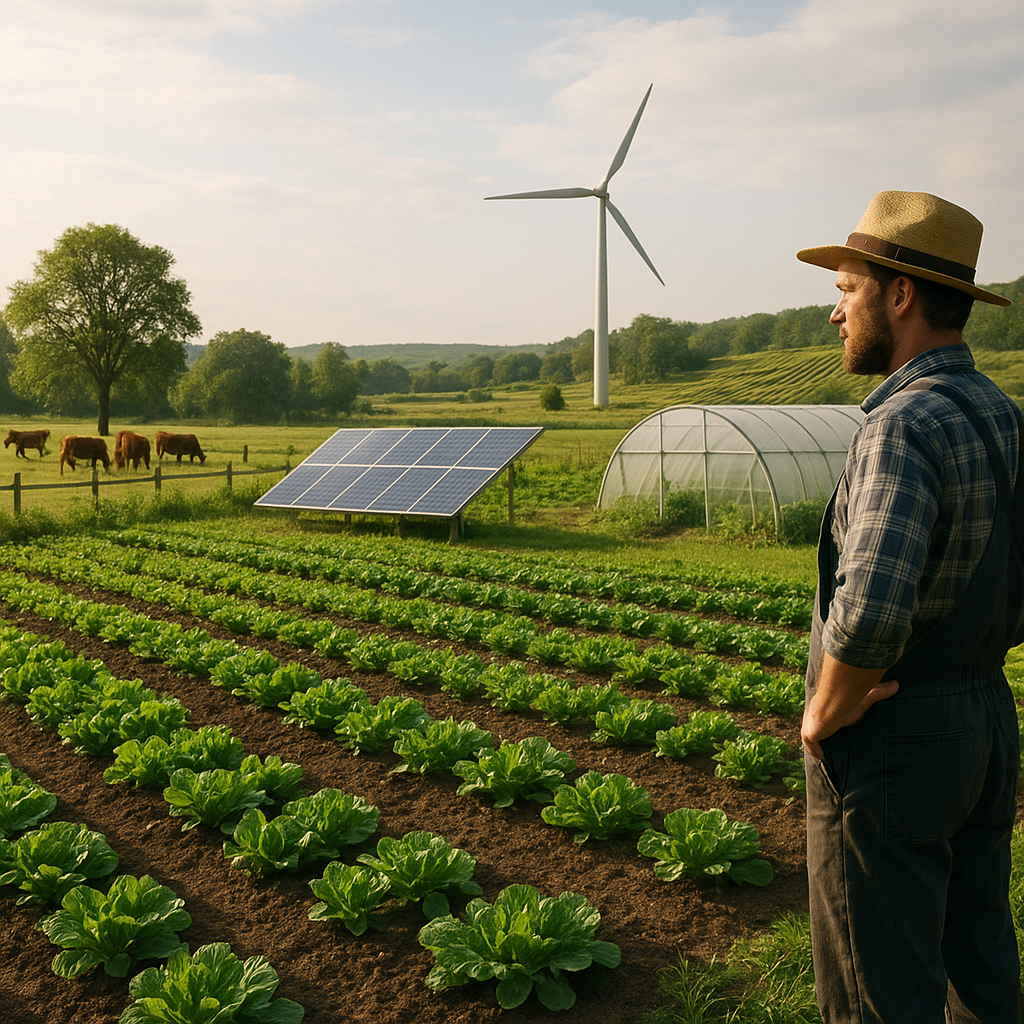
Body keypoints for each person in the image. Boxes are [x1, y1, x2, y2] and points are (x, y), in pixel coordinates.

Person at [796, 190, 1022, 1023]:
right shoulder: (1002, 413)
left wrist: (824, 712)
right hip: (984, 721)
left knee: (877, 989)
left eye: (847, 289)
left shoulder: (902, 425)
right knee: (979, 968)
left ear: (899, 295)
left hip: (895, 741)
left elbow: (870, 613)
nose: (835, 313)